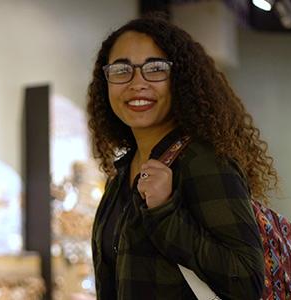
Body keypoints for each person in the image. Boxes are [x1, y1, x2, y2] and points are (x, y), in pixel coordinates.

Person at [88, 15, 279, 299]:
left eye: (155, 69)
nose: (137, 83)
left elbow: (247, 279)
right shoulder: (121, 176)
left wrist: (165, 213)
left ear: (179, 80)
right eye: (121, 70)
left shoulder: (202, 161)